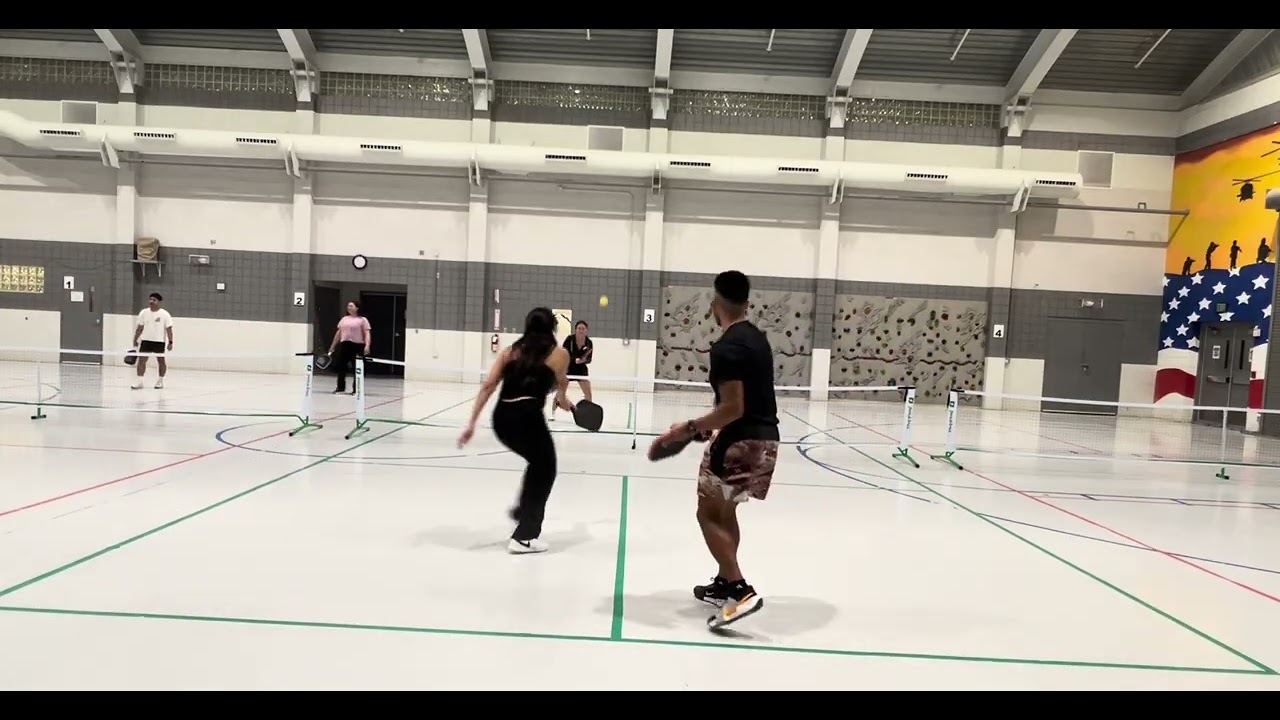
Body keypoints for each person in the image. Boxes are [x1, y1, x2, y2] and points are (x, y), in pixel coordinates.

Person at [653, 270, 779, 629]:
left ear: (716, 302)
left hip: (737, 442)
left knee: (707, 514)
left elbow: (733, 408)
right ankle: (724, 582)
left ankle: (739, 589)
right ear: (746, 302)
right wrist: (710, 427)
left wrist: (690, 427)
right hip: (766, 440)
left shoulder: (726, 348)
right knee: (726, 513)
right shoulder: (757, 339)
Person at [458, 307, 575, 554]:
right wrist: (564, 396)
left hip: (502, 420)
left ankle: (523, 509)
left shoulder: (510, 352)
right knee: (546, 467)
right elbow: (559, 390)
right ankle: (525, 535)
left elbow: (489, 386)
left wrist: (471, 424)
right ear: (551, 329)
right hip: (528, 417)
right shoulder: (560, 354)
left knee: (538, 463)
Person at [131, 292, 174, 390]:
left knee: (161, 361)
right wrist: (135, 338)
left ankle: (160, 381)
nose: (151, 302)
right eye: (150, 299)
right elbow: (140, 327)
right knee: (141, 361)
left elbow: (169, 329)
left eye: (154, 300)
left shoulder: (164, 314)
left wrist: (170, 342)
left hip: (159, 342)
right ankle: (140, 382)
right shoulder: (144, 313)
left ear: (159, 302)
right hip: (146, 341)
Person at [552, 320, 593, 421]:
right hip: (567, 368)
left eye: (583, 329)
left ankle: (588, 414)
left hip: (581, 369)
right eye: (579, 328)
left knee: (588, 391)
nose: (581, 330)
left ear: (586, 330)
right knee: (560, 391)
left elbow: (589, 359)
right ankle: (552, 413)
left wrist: (583, 360)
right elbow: (564, 353)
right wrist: (574, 359)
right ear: (575, 330)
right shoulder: (569, 340)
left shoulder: (589, 343)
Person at [328, 300, 371, 395]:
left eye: (351, 306)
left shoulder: (363, 320)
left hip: (358, 346)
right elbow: (338, 333)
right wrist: (333, 346)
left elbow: (367, 334)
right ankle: (340, 388)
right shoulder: (344, 319)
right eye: (348, 306)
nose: (349, 307)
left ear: (357, 308)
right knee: (341, 367)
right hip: (345, 345)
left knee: (358, 368)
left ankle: (357, 389)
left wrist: (367, 346)